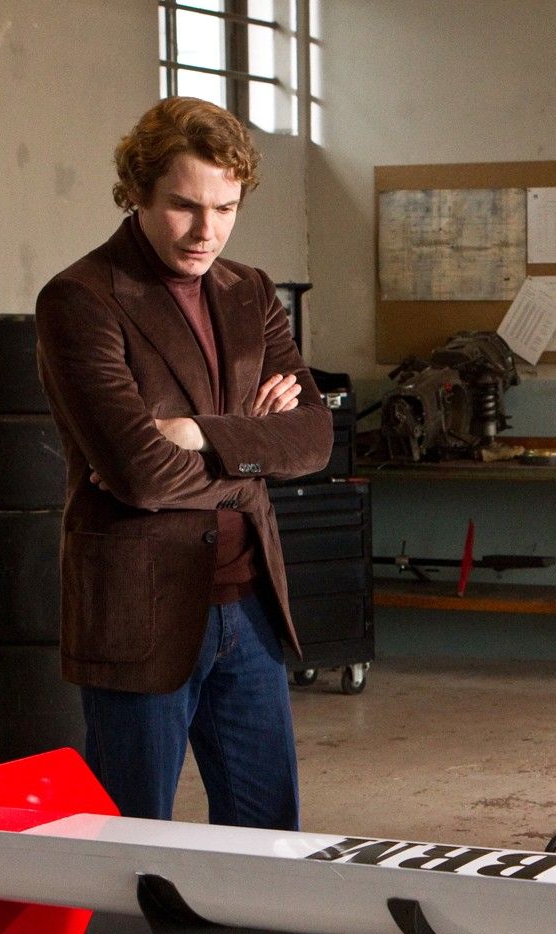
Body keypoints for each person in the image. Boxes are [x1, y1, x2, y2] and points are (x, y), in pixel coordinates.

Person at [37, 97, 331, 829]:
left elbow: (316, 437)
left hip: (249, 608)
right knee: (131, 847)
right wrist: (255, 443)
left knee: (271, 841)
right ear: (136, 192)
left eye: (226, 208)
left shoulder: (251, 291)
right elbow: (139, 472)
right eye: (184, 206)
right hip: (141, 609)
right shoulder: (80, 299)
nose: (207, 231)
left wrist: (201, 433)